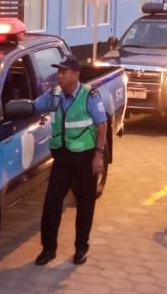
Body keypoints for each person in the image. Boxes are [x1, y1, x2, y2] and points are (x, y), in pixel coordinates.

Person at [32, 55, 108, 266]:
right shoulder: (54, 95)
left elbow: (102, 126)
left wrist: (99, 155)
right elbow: (34, 106)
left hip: (85, 160)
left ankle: (81, 249)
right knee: (51, 205)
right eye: (59, 72)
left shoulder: (89, 95)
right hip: (62, 159)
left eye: (64, 72)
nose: (60, 76)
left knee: (85, 206)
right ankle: (48, 250)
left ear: (75, 75)